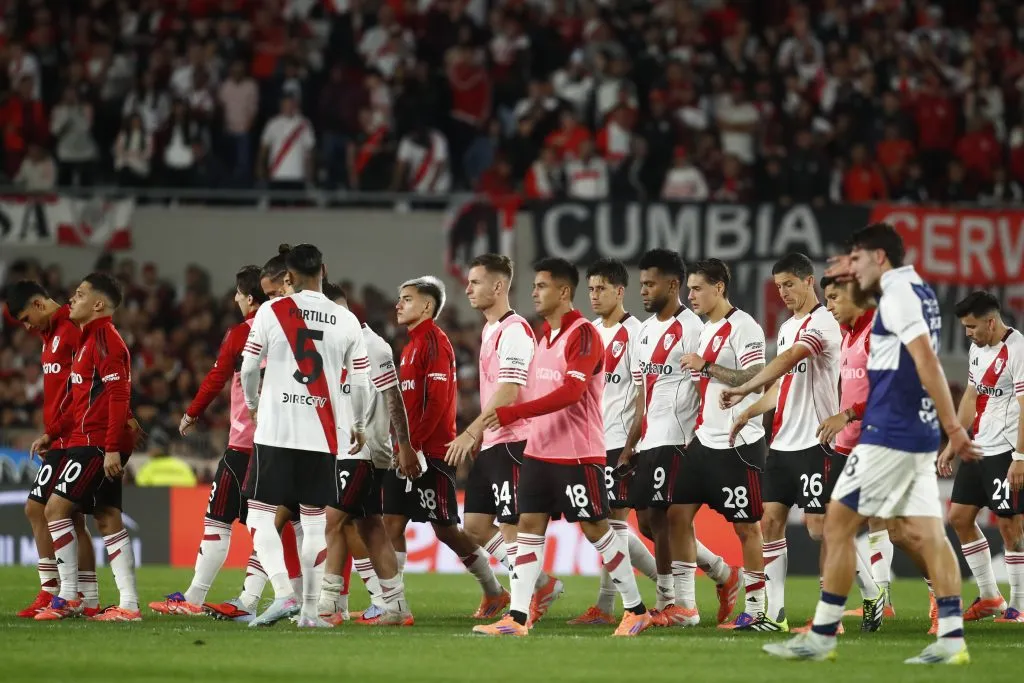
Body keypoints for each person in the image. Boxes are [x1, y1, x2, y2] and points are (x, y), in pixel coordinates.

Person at [764, 223, 981, 664]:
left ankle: (823, 634)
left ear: (879, 258)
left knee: (837, 524)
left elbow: (926, 361)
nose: (852, 267)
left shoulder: (898, 297)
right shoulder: (914, 287)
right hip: (913, 431)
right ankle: (953, 638)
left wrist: (955, 430)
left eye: (859, 259)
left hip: (889, 430)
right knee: (925, 534)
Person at [473, 258, 653, 637]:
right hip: (539, 451)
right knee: (527, 527)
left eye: (541, 286)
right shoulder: (542, 336)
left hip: (576, 453)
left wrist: (513, 412)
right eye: (534, 286)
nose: (534, 293)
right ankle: (517, 619)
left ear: (564, 292)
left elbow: (572, 393)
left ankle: (636, 610)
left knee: (596, 528)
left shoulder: (584, 334)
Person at [240, 244, 370, 628]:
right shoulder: (346, 320)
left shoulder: (271, 310)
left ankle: (283, 594)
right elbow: (360, 383)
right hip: (323, 435)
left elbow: (248, 367)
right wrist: (359, 425)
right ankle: (310, 613)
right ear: (324, 271)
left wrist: (252, 403)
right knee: (315, 524)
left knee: (260, 517)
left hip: (276, 431)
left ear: (288, 278)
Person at [719, 253, 844, 633]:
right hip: (784, 442)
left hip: (817, 441)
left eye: (789, 284)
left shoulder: (824, 323)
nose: (783, 293)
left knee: (820, 529)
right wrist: (748, 408)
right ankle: (775, 614)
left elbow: (790, 359)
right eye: (778, 287)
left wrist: (743, 384)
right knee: (770, 520)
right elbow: (781, 384)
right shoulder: (788, 326)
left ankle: (835, 614)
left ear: (809, 282)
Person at [624, 251, 741, 627]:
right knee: (646, 522)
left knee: (669, 519)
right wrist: (632, 444)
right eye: (641, 283)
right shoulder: (643, 331)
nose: (643, 290)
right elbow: (643, 391)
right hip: (649, 439)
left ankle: (676, 603)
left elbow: (703, 386)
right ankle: (721, 571)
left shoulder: (692, 328)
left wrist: (699, 435)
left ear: (672, 285)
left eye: (650, 283)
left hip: (678, 438)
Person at [445, 254, 563, 623]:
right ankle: (541, 584)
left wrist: (471, 431)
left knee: (514, 526)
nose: (467, 289)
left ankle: (521, 606)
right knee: (477, 527)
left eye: (475, 282)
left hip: (515, 441)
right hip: (494, 440)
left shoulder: (514, 331)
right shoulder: (491, 329)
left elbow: (510, 391)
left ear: (498, 286)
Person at [148, 266, 269, 619]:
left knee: (218, 520)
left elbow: (217, 376)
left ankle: (194, 598)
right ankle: (250, 600)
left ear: (249, 297)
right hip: (281, 446)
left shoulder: (243, 332)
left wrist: (192, 412)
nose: (233, 299)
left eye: (237, 293)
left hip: (244, 445)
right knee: (269, 529)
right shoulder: (290, 333)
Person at [384, 276, 507, 615]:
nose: (399, 304)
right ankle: (393, 606)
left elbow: (437, 403)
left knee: (447, 530)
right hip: (408, 450)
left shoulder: (434, 343)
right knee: (391, 523)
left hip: (430, 454)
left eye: (407, 299)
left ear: (427, 306)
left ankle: (499, 588)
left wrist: (415, 446)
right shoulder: (410, 345)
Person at [35, 273, 141, 622]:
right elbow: (81, 401)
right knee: (107, 516)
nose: (72, 299)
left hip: (95, 444)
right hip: (90, 440)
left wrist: (111, 448)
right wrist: (53, 433)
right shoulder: (86, 340)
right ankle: (127, 605)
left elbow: (118, 395)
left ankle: (67, 596)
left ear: (98, 304)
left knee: (54, 511)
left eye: (79, 294)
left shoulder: (106, 339)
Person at [675, 258, 771, 630]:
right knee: (675, 514)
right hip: (704, 441)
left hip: (739, 444)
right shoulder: (703, 328)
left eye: (698, 288)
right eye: (690, 288)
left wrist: (707, 367)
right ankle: (688, 601)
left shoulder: (743, 326)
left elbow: (758, 376)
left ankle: (757, 608)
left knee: (747, 528)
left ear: (719, 288)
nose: (691, 295)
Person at [318, 282, 417, 627]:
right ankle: (396, 605)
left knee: (330, 521)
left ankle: (328, 605)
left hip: (364, 452)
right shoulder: (333, 346)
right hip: (348, 451)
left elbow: (394, 399)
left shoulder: (372, 346)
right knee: (370, 525)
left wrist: (404, 445)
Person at [566, 256, 656, 625]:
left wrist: (633, 443)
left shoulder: (636, 332)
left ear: (620, 291)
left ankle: (607, 607)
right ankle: (717, 571)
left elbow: (642, 392)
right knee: (601, 522)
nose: (594, 295)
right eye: (590, 288)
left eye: (601, 288)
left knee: (612, 520)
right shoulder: (587, 330)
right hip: (588, 441)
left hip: (620, 439)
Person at [6, 282, 99, 618]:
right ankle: (70, 595)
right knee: (55, 513)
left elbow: (86, 384)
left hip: (74, 435)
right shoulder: (49, 335)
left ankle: (66, 594)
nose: (27, 326)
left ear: (37, 303)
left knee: (53, 512)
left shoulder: (71, 329)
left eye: (25, 318)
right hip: (58, 437)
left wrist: (59, 430)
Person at [815, 276, 900, 627]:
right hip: (847, 444)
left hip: (876, 442)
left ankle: (933, 601)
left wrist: (847, 414)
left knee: (903, 530)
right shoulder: (849, 333)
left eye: (834, 298)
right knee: (856, 523)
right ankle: (881, 596)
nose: (829, 305)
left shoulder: (878, 333)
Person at [939, 292, 1024, 624]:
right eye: (964, 327)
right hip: (978, 446)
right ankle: (990, 596)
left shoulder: (1017, 350)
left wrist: (1020, 457)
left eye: (972, 326)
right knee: (959, 517)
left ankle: (1017, 606)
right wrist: (954, 441)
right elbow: (973, 396)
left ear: (991, 321)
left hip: (1006, 449)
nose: (968, 333)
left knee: (1010, 524)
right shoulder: (978, 349)